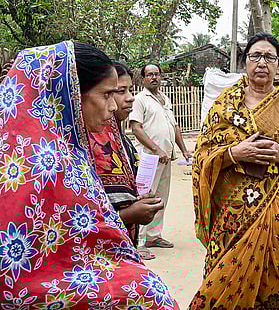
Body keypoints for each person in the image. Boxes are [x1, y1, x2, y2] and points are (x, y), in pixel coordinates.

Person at [0, 41, 178, 308]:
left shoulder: (68, 150)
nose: (115, 106)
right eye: (107, 95)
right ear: (70, 96)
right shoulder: (39, 164)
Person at [189, 32, 279, 310]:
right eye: (255, 56)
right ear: (246, 61)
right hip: (231, 216)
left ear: (278, 64)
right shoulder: (224, 105)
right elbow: (201, 156)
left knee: (273, 281)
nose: (262, 63)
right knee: (221, 281)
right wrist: (235, 153)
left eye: (269, 57)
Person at [88, 61, 163, 260]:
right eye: (120, 91)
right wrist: (130, 214)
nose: (130, 98)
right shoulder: (94, 141)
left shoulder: (121, 139)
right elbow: (82, 221)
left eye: (130, 90)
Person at [130, 64, 191, 250]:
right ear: (143, 79)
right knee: (145, 198)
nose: (153, 77)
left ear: (161, 76)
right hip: (149, 158)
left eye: (156, 74)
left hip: (166, 158)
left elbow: (175, 127)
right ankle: (139, 242)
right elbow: (136, 128)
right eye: (149, 75)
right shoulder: (140, 99)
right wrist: (156, 149)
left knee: (161, 198)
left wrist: (184, 150)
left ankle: (153, 236)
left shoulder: (165, 99)